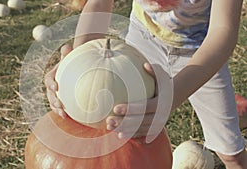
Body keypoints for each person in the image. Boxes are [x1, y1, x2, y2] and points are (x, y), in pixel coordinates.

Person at [45, 0, 247, 168]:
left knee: (231, 152)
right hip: (143, 40)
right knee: (118, 122)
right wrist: (79, 66)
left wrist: (171, 98)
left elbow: (223, 32)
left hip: (202, 52)